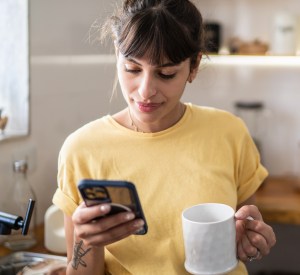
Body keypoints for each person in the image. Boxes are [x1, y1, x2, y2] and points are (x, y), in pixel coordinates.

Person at [52, 0, 276, 274]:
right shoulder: (81, 149)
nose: (145, 91)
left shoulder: (230, 132)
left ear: (193, 67)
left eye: (166, 73)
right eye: (133, 69)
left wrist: (251, 241)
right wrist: (87, 240)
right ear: (116, 54)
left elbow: (244, 229)